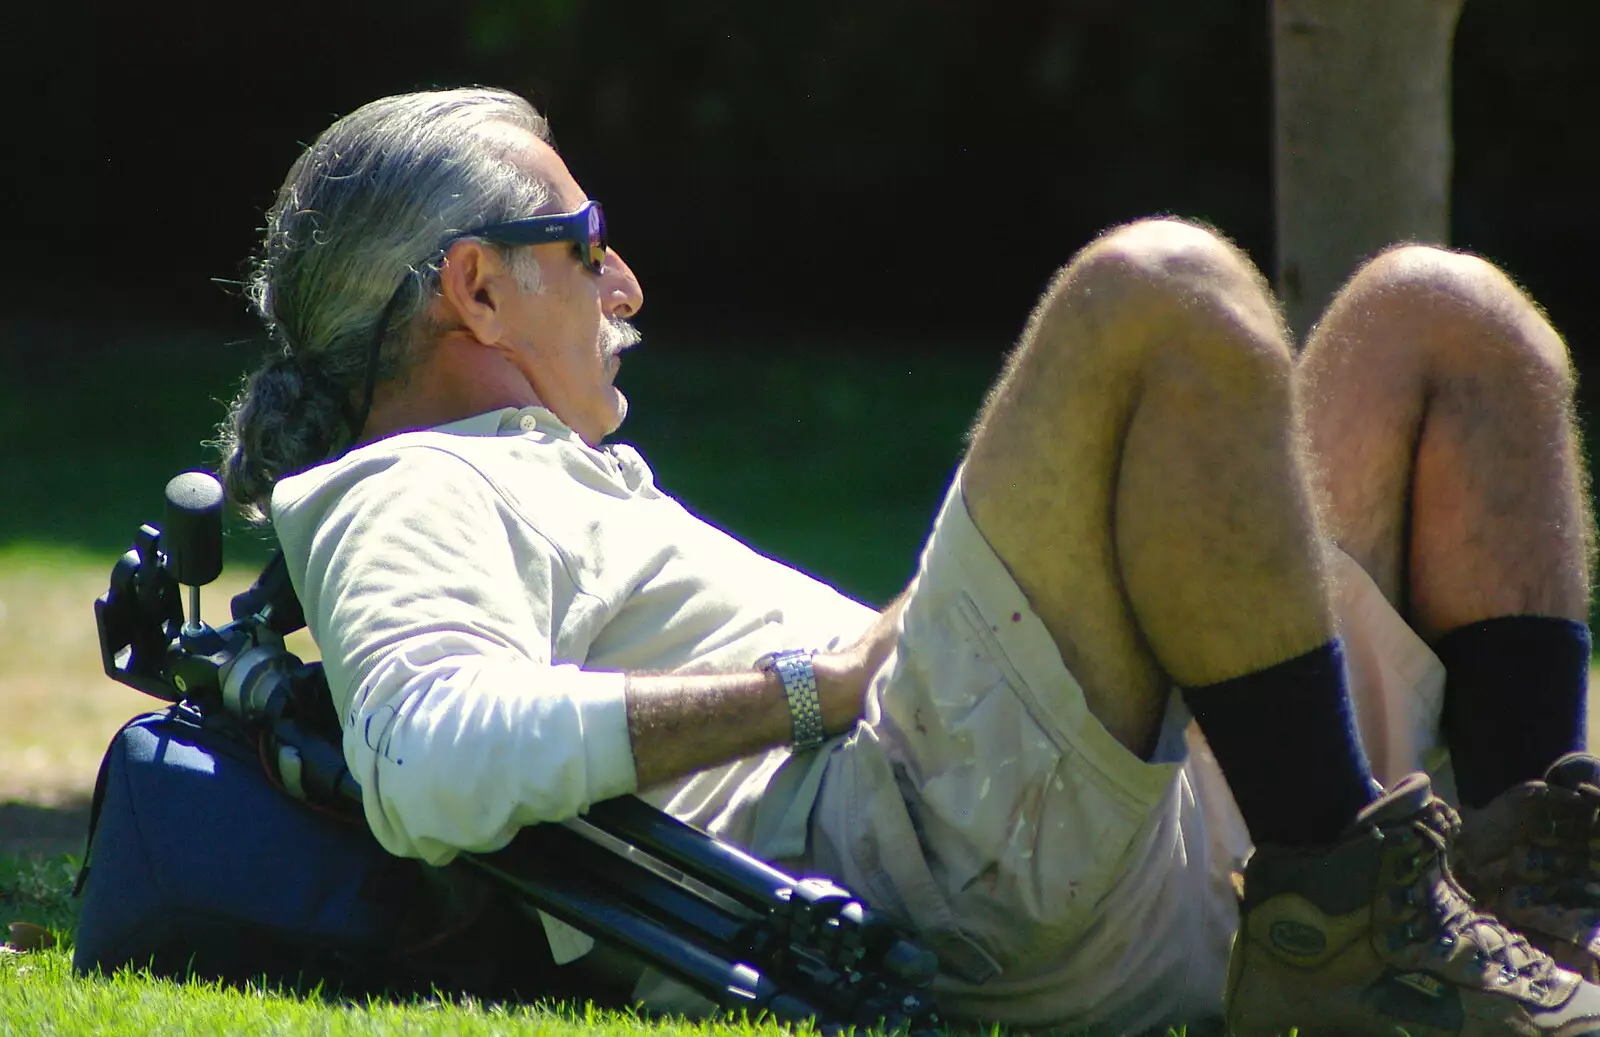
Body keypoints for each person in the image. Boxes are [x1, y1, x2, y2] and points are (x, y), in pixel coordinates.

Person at [215, 86, 1600, 1035]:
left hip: (1115, 827)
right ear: (473, 289)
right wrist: (808, 686)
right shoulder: (399, 486)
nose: (624, 286)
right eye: (584, 249)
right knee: (1157, 292)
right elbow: (424, 759)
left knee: (1449, 322)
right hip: (922, 864)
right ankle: (1354, 929)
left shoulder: (531, 473)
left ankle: (1526, 909)